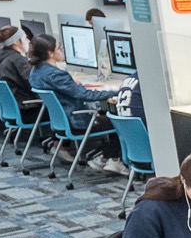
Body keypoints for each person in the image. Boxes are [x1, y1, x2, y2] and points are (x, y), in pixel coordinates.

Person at [28, 33, 121, 169]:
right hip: (76, 121)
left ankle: (106, 156)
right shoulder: (55, 74)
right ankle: (111, 158)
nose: (62, 51)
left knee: (104, 111)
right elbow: (84, 94)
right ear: (50, 53)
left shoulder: (36, 72)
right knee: (116, 119)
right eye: (59, 48)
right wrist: (117, 90)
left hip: (62, 120)